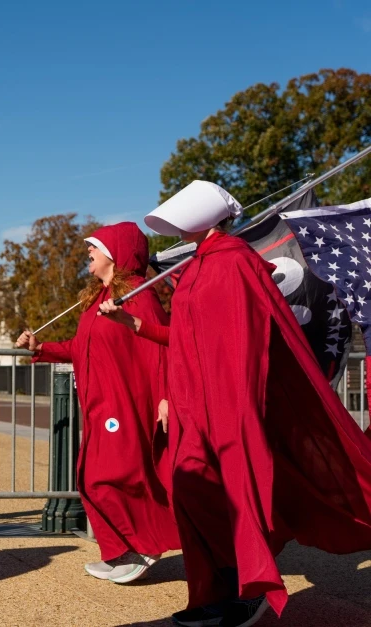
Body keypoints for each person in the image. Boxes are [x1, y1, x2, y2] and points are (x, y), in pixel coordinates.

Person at [99, 180, 371, 627]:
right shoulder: (197, 264)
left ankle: (250, 591)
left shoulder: (237, 260)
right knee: (191, 493)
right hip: (193, 407)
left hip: (229, 405)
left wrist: (240, 404)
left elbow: (257, 337)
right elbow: (184, 339)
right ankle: (213, 590)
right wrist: (135, 324)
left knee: (239, 498)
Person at [16, 222, 179, 584]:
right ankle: (120, 551)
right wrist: (40, 349)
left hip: (124, 404)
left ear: (115, 253)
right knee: (91, 477)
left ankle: (142, 545)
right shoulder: (96, 300)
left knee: (107, 477)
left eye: (95, 246)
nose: (88, 251)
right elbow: (80, 348)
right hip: (98, 404)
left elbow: (165, 346)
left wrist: (167, 397)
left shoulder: (140, 294)